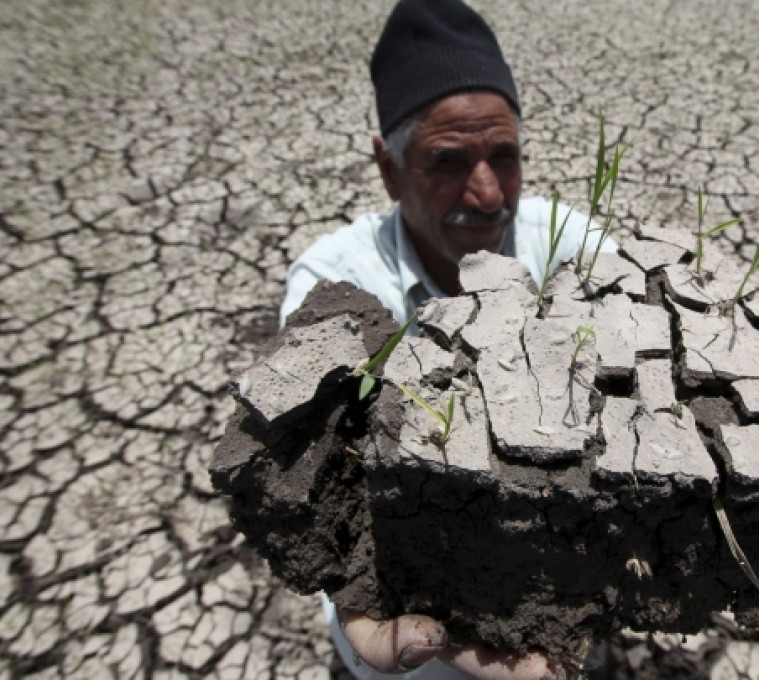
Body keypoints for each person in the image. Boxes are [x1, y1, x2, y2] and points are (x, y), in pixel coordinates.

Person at [280, 1, 611, 679]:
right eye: (449, 161)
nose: (488, 194)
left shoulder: (564, 242)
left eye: (504, 157)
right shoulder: (337, 283)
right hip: (413, 654)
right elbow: (316, 470)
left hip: (567, 613)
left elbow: (676, 338)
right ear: (388, 168)